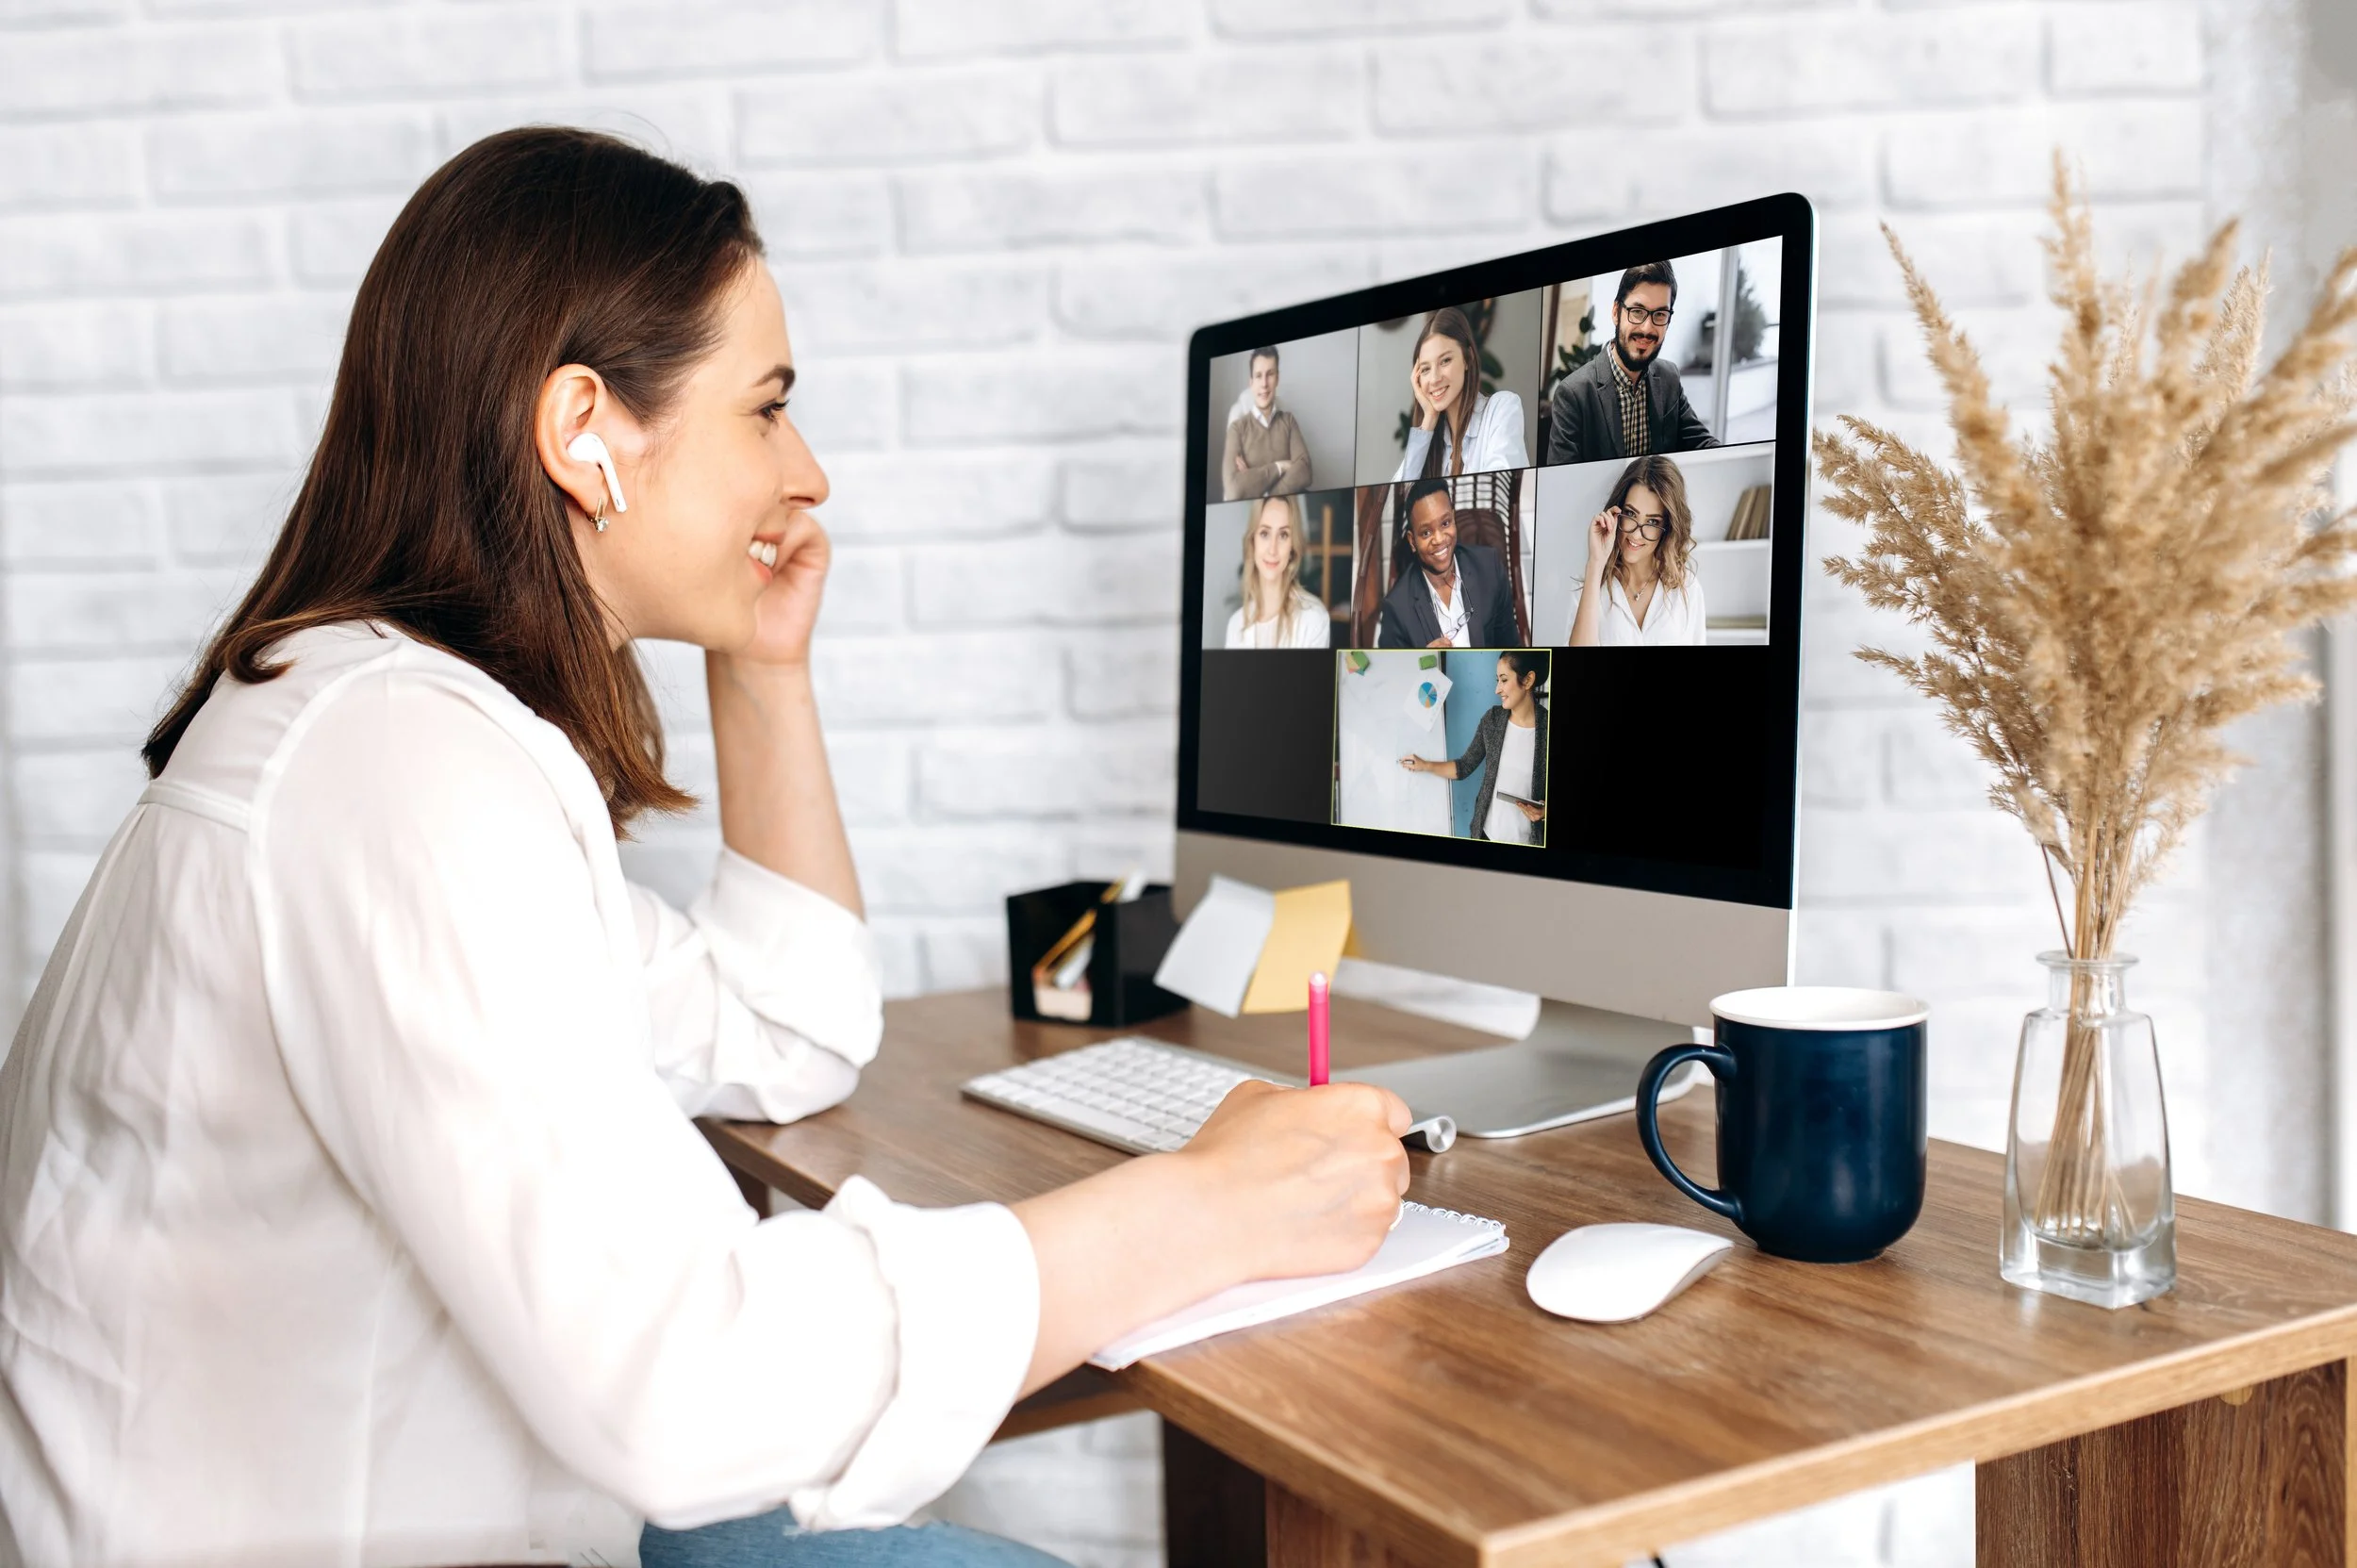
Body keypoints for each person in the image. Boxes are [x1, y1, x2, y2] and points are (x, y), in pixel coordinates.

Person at [0, 128, 1414, 1568]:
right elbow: (682, 1380)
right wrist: (1203, 1208)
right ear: (584, 433)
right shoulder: (394, 768)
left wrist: (765, 661)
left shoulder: (383, 721)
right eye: (767, 409)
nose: (807, 472)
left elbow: (792, 1023)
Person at [1544, 261, 1722, 467]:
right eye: (1637, 311)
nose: (1647, 328)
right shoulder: (1573, 393)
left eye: (1660, 315)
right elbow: (1561, 479)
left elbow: (1700, 442)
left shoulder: (1669, 377)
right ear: (1615, 312)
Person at [1396, 651, 1548, 845]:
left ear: (1528, 681)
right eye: (1497, 680)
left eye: (1503, 680)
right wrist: (1424, 765)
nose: (1497, 689)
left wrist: (1544, 811)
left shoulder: (1547, 729)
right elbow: (1465, 766)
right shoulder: (1492, 720)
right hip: (1485, 836)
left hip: (1528, 845)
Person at [1567, 454, 1708, 646]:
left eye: (1652, 522)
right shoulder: (1591, 587)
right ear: (1617, 513)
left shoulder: (1688, 588)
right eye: (1631, 514)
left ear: (1668, 527)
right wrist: (1596, 563)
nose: (1636, 534)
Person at [1376, 479, 1521, 649]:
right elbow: (1394, 673)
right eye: (1426, 532)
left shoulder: (1490, 567)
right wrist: (1421, 662)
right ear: (1412, 541)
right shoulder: (1397, 608)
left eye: (1445, 523)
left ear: (1453, 519)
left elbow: (1511, 648)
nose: (1439, 539)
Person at [1391, 306, 1528, 481]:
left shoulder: (1502, 408)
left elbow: (1500, 491)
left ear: (1467, 359)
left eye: (1445, 360)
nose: (1434, 379)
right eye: (1425, 369)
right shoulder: (1434, 440)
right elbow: (1397, 502)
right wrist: (1429, 419)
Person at [1223, 493, 1331, 649]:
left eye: (1283, 535)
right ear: (1253, 541)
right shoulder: (1235, 624)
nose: (1272, 550)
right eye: (1265, 534)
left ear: (1292, 546)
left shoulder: (1314, 618)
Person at [1220, 344, 1311, 501]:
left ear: (1277, 379)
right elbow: (1234, 489)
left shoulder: (1288, 420)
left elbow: (1305, 472)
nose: (1264, 384)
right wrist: (1280, 467)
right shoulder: (1237, 429)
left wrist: (1265, 492)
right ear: (1251, 383)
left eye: (1270, 374)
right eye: (1258, 376)